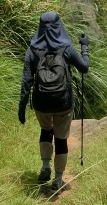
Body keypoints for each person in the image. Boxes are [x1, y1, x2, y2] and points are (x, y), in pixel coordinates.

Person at [18, 11, 89, 192]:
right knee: (61, 138)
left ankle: (45, 167)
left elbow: (26, 80)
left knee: (45, 130)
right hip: (63, 102)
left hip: (41, 103)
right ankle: (58, 179)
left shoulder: (33, 50)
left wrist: (22, 106)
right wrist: (85, 48)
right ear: (59, 26)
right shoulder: (66, 48)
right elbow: (84, 68)